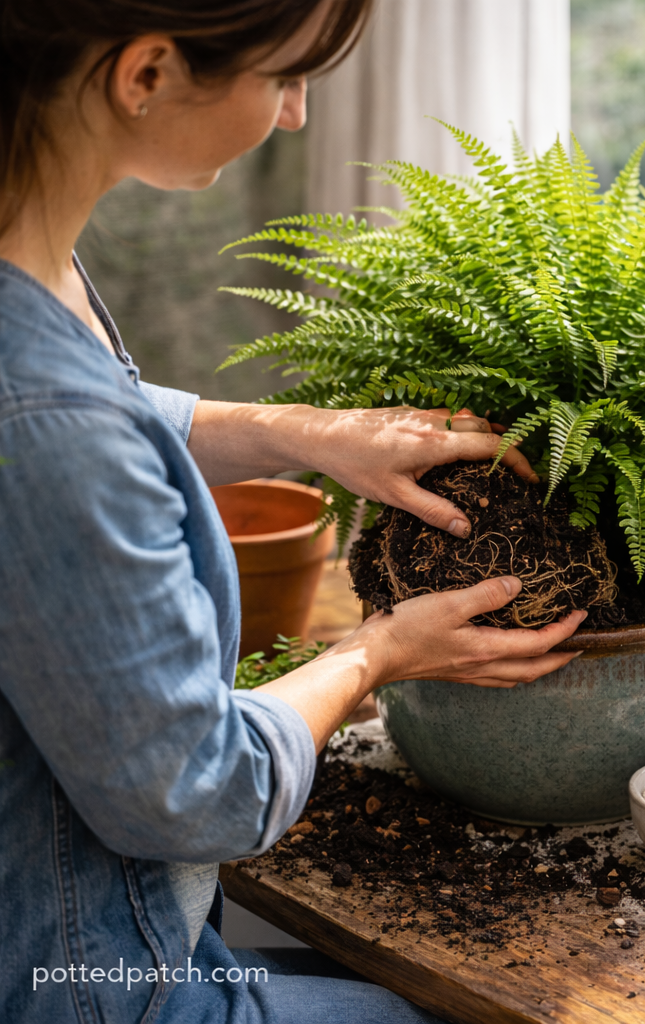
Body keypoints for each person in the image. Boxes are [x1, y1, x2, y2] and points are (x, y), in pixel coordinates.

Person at [0, 2, 587, 1022]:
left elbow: (90, 418)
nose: (298, 115)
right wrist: (376, 653)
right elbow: (200, 791)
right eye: (284, 78)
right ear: (145, 74)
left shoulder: (26, 245)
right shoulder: (45, 415)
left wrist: (298, 430)